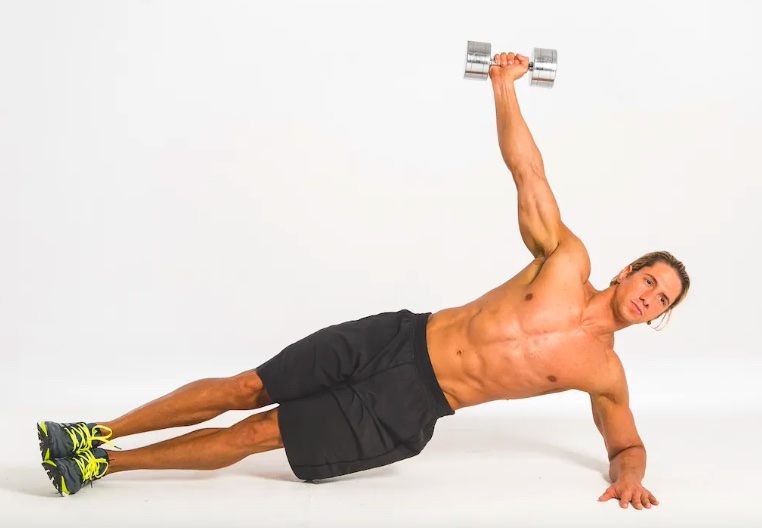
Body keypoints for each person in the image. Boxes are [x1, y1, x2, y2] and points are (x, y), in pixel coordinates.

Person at [38, 51, 689, 510]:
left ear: (657, 315)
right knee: (248, 386)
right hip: (398, 339)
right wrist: (504, 87)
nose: (649, 296)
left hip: (410, 404)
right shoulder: (566, 259)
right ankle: (97, 431)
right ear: (629, 269)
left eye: (662, 301)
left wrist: (630, 476)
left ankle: (103, 464)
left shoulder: (604, 372)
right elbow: (527, 173)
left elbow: (626, 442)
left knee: (257, 434)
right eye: (651, 280)